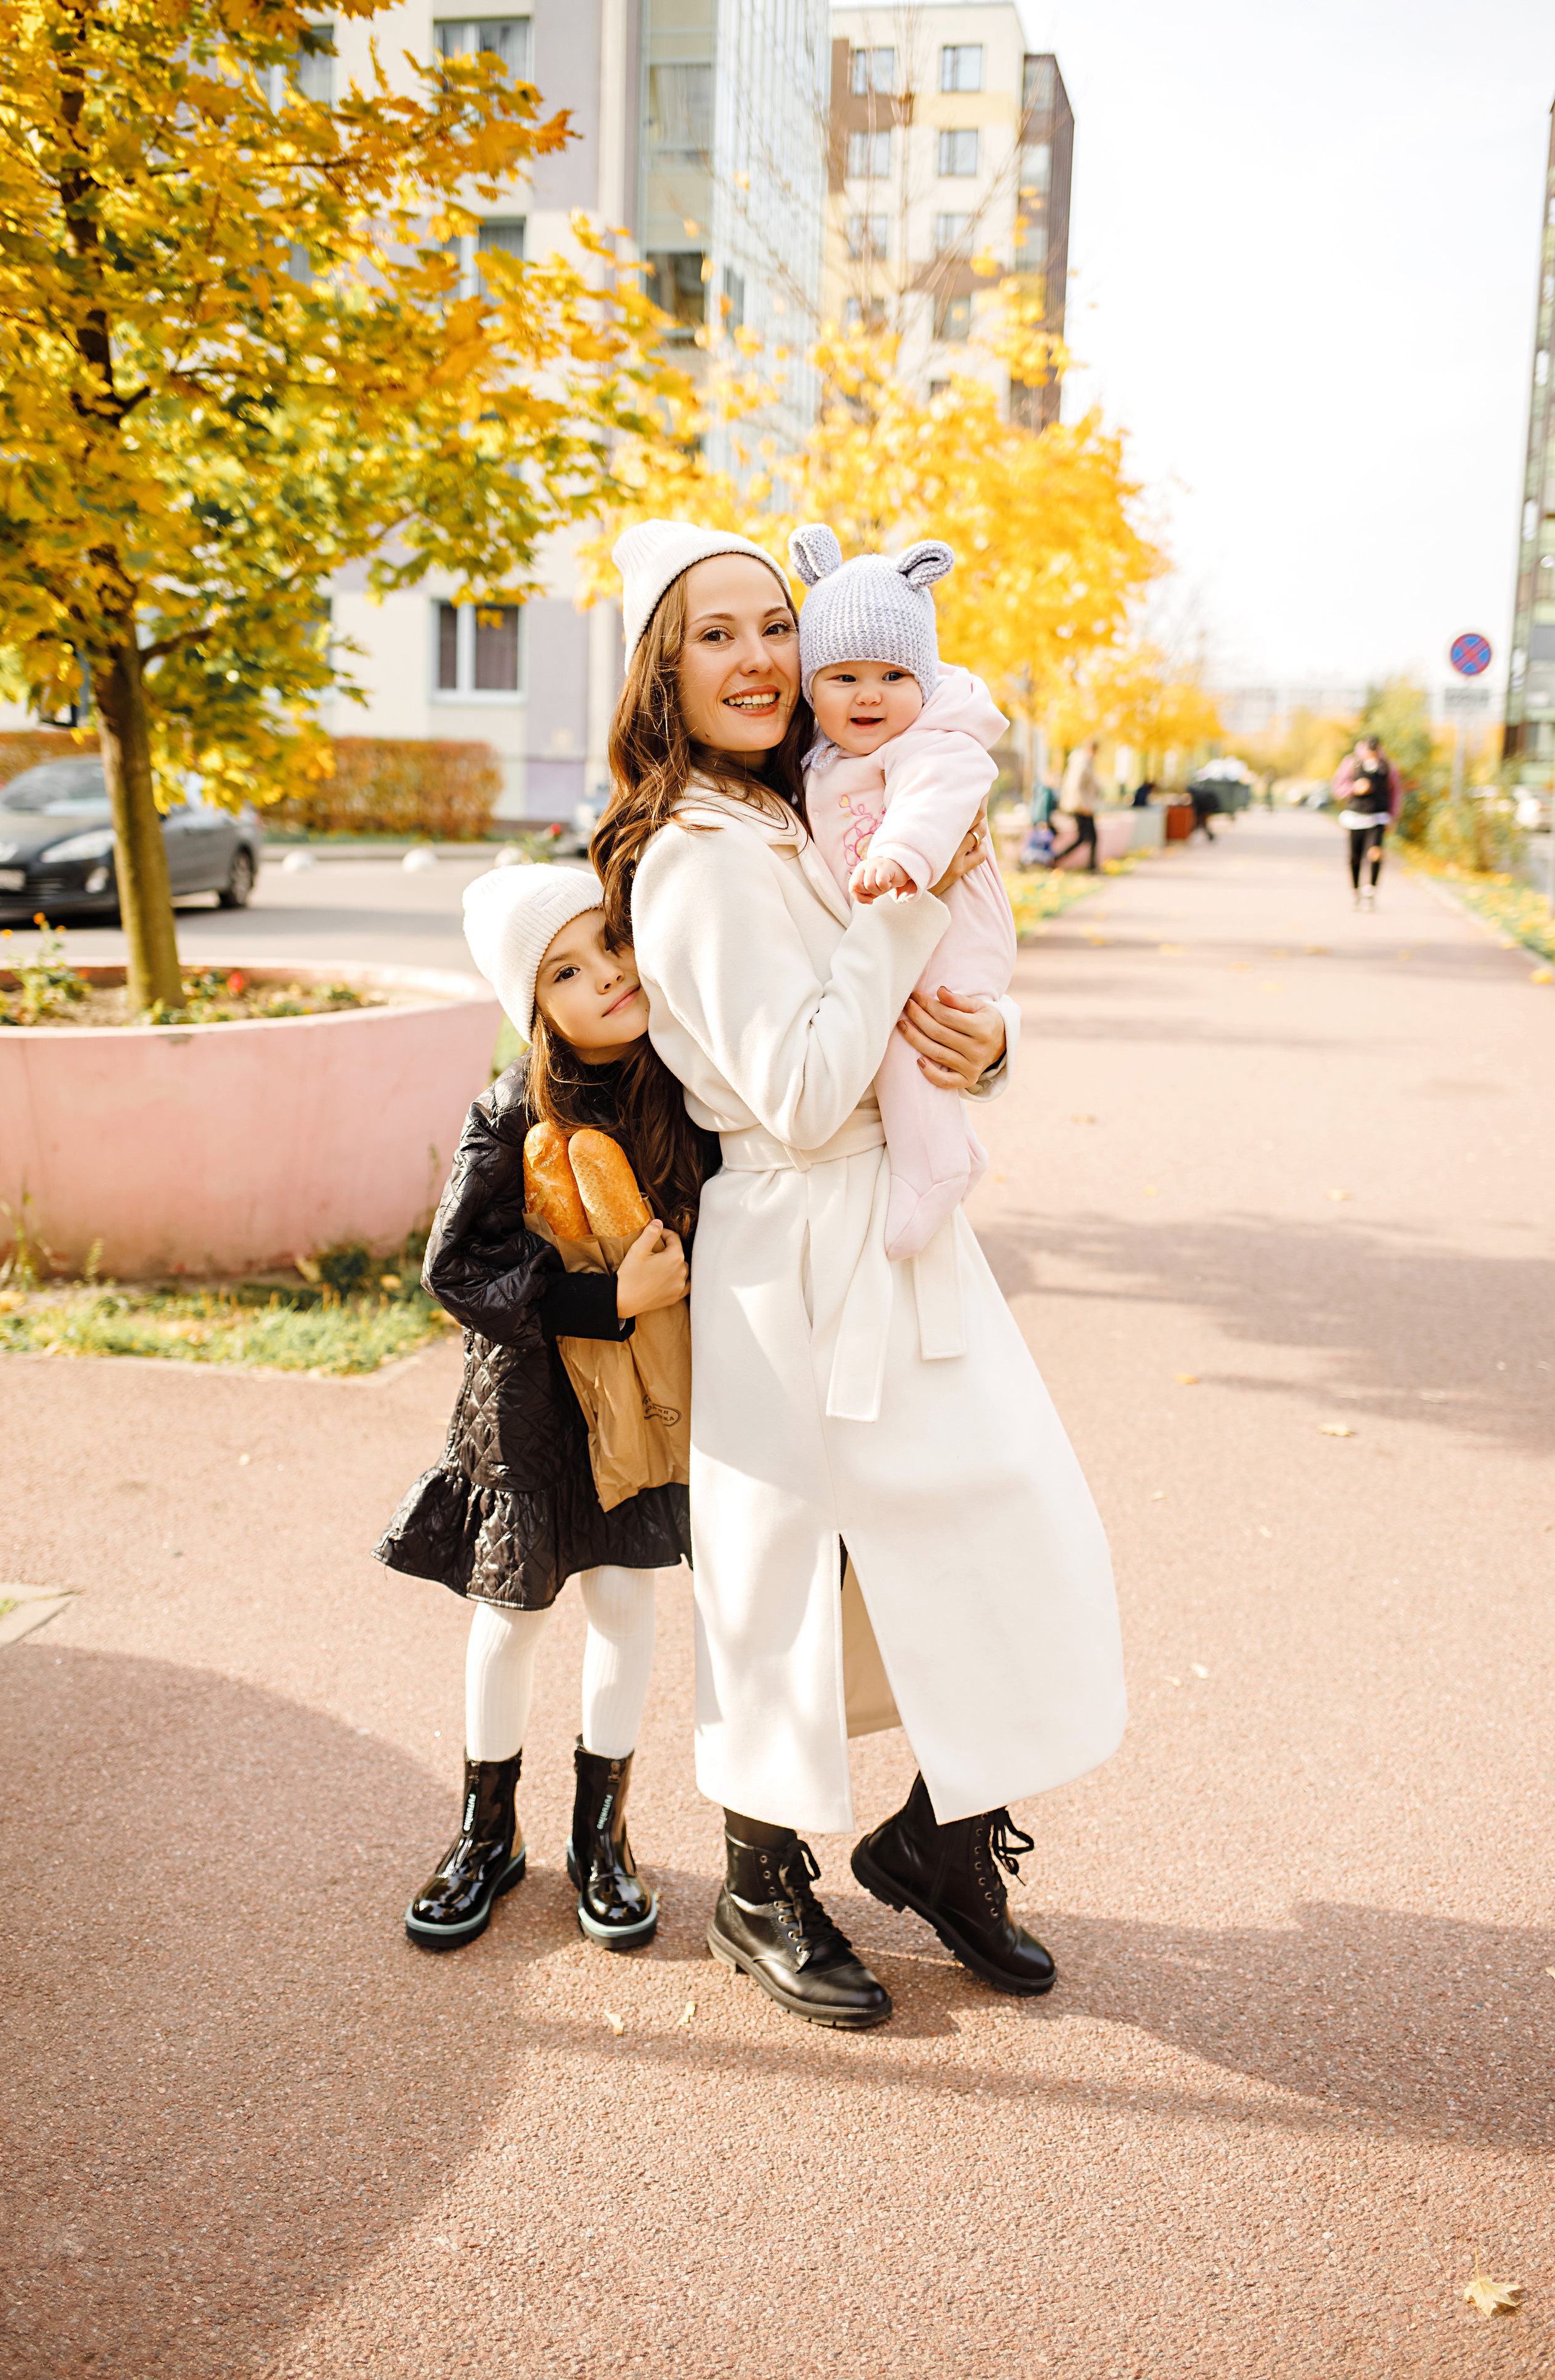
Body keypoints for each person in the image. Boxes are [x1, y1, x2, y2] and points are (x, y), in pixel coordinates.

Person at [591, 519, 1126, 2031]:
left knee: (1018, 1537)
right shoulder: (690, 859)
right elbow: (807, 1080)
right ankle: (759, 1884)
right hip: (793, 1249)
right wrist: (905, 899)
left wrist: (991, 1041)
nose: (760, 657)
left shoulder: (807, 804)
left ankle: (939, 1841)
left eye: (775, 624)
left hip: (891, 1230)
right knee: (787, 1577)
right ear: (662, 667)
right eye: (716, 634)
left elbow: (922, 1004)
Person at [375, 866, 701, 1954]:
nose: (607, 974)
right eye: (566, 968)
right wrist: (604, 1299)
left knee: (623, 1603)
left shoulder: (687, 1081)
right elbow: (456, 1270)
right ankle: (486, 1831)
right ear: (534, 1004)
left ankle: (601, 1837)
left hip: (646, 1408)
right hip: (529, 1407)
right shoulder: (511, 1109)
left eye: (611, 942)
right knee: (510, 1615)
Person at [790, 521, 1019, 1260]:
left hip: (950, 935)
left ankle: (937, 1166)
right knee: (896, 1037)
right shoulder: (819, 760)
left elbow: (940, 794)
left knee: (910, 1043)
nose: (869, 696)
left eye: (893, 677)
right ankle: (948, 1154)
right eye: (844, 677)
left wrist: (902, 855)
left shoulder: (936, 740)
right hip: (899, 940)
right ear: (811, 689)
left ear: (924, 681)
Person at [1330, 734, 1396, 908]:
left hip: (1378, 816)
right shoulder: (1352, 763)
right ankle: (1356, 890)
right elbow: (1337, 787)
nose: (1372, 753)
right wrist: (1355, 788)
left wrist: (1394, 815)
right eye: (1369, 749)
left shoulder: (1387, 766)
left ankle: (1371, 890)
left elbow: (1396, 792)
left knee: (1376, 853)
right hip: (1356, 816)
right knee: (1355, 856)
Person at [1054, 737, 1101, 871]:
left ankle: (1091, 866)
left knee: (1087, 838)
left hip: (1083, 806)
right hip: (1080, 807)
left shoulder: (1086, 762)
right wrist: (1083, 805)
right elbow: (1076, 785)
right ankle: (1058, 859)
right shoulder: (1082, 762)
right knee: (1088, 838)